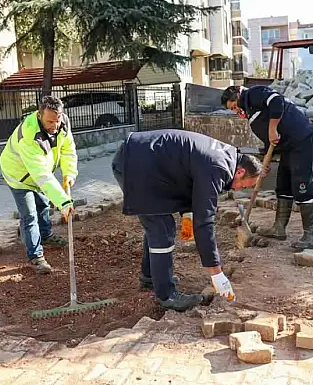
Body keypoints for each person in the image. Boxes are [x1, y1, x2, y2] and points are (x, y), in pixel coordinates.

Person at [111, 129, 263, 312]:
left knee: (157, 223)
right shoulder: (218, 167)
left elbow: (187, 178)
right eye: (243, 185)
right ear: (240, 171)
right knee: (162, 229)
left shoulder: (226, 156)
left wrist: (186, 214)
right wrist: (216, 273)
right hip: (135, 164)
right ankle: (167, 295)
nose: (238, 190)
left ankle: (150, 277)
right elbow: (205, 221)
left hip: (143, 161)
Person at [221, 85, 313, 250]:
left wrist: (273, 128)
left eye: (234, 106)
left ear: (237, 95)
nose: (236, 111)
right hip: (287, 147)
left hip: (301, 140)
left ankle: (312, 234)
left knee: (301, 184)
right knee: (283, 185)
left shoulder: (253, 93)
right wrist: (264, 164)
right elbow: (270, 141)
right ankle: (279, 228)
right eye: (232, 110)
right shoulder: (251, 112)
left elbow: (276, 101)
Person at [0, 95, 78, 274]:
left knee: (43, 205)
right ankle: (35, 256)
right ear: (39, 115)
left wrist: (69, 172)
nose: (54, 126)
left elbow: (68, 149)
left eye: (57, 120)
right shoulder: (29, 134)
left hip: (39, 174)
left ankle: (46, 235)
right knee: (30, 215)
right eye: (50, 122)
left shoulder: (62, 123)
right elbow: (41, 175)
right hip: (19, 176)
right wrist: (64, 202)